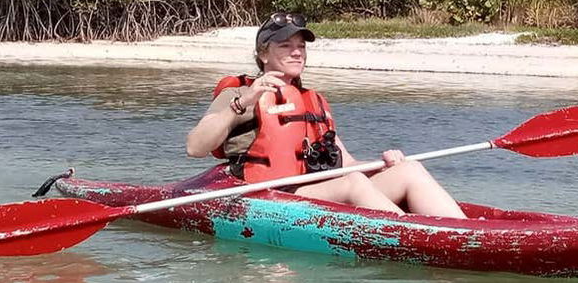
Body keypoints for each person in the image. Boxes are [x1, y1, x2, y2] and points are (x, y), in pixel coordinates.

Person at [185, 12, 467, 218]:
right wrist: (242, 104)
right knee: (353, 183)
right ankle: (416, 235)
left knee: (409, 169)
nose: (297, 53)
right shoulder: (240, 93)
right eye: (285, 46)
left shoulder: (313, 101)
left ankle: (464, 231)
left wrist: (383, 165)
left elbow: (349, 164)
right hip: (270, 198)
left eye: (301, 46)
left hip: (321, 192)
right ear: (263, 55)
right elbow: (195, 147)